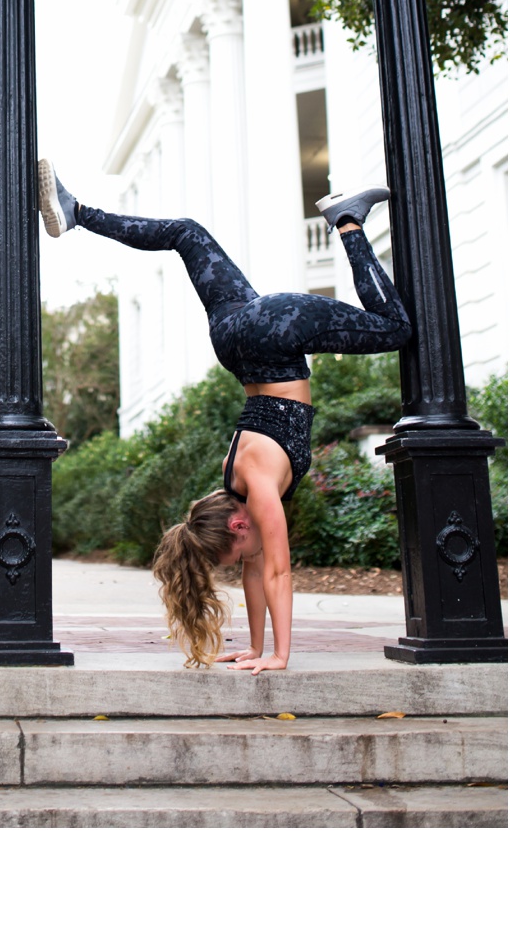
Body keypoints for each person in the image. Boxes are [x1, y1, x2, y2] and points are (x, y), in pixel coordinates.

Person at [37, 160, 410, 671]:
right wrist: (256, 649)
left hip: (275, 335)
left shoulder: (258, 487)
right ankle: (76, 212)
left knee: (393, 329)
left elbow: (277, 572)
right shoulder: (236, 479)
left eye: (233, 555)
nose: (243, 564)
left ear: (237, 523)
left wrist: (281, 656)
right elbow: (258, 569)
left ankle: (347, 223)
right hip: (235, 335)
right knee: (187, 234)